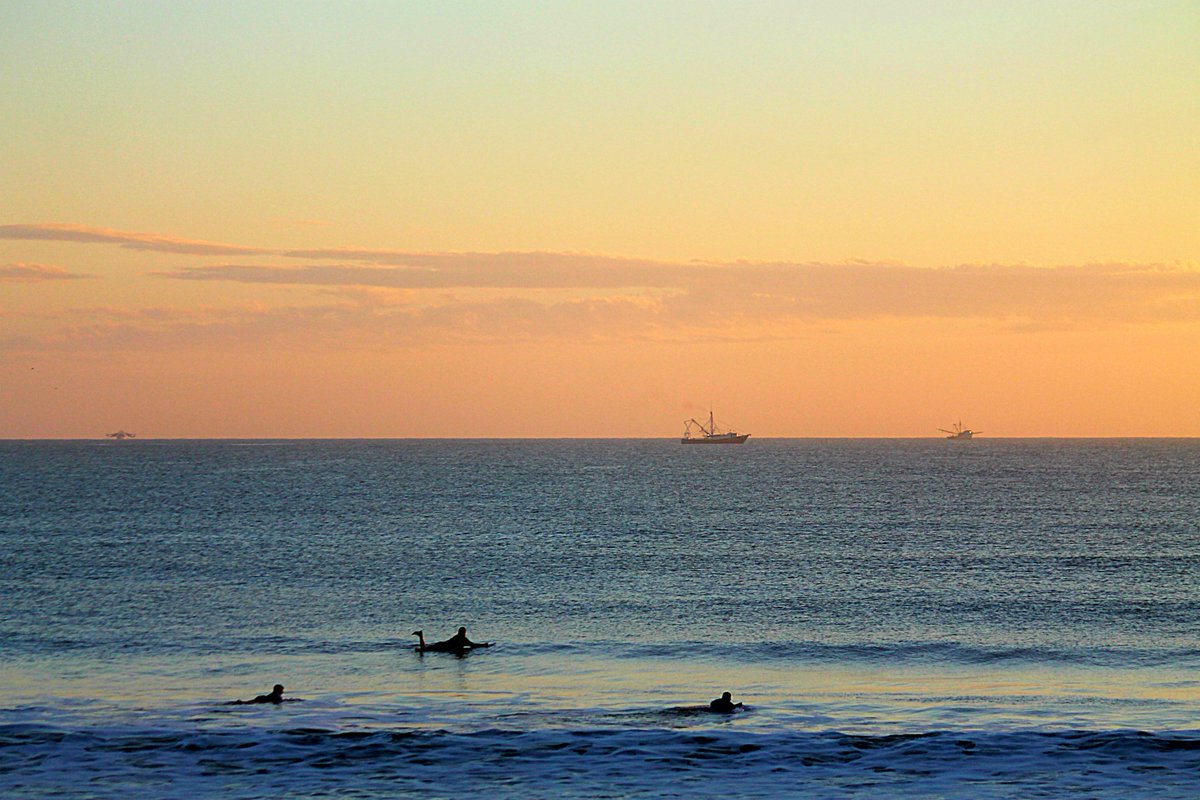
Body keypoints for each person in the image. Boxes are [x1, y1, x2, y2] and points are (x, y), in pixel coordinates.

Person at [412, 627, 492, 653]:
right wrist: (483, 645)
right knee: (423, 650)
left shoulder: (460, 638)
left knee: (425, 649)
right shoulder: (461, 639)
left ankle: (420, 636)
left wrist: (483, 645)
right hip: (442, 647)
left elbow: (473, 645)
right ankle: (420, 636)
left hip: (442, 645)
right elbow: (473, 645)